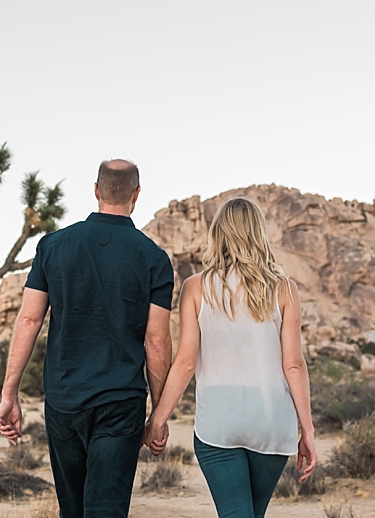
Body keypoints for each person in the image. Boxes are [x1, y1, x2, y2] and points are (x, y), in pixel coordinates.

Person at [0, 159, 175, 518]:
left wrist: (9, 394)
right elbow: (156, 342)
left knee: (73, 511)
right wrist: (159, 413)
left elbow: (29, 320)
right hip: (121, 402)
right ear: (136, 195)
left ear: (96, 190)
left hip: (64, 401)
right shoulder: (154, 259)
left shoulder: (53, 246)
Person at [144, 197, 316, 518]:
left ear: (218, 234)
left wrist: (157, 419)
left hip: (218, 423)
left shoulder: (196, 287)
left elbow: (185, 362)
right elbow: (293, 365)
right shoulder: (284, 289)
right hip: (271, 421)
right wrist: (307, 431)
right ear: (258, 233)